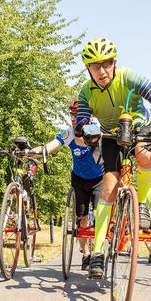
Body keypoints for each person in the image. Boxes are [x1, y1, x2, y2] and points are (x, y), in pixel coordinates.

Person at [75, 37, 151, 278]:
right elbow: (81, 123)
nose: (102, 71)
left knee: (145, 153)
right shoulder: (86, 92)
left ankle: (141, 204)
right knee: (109, 185)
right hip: (110, 136)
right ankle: (99, 253)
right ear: (87, 68)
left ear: (115, 62)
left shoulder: (129, 78)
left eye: (107, 64)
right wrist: (83, 130)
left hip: (137, 127)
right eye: (95, 66)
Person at [32, 100, 103, 270]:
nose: (73, 118)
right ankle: (86, 253)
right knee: (82, 218)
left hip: (99, 178)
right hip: (78, 179)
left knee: (100, 215)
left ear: (89, 116)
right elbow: (50, 146)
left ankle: (99, 253)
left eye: (77, 114)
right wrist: (30, 152)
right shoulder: (69, 133)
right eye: (71, 114)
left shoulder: (98, 131)